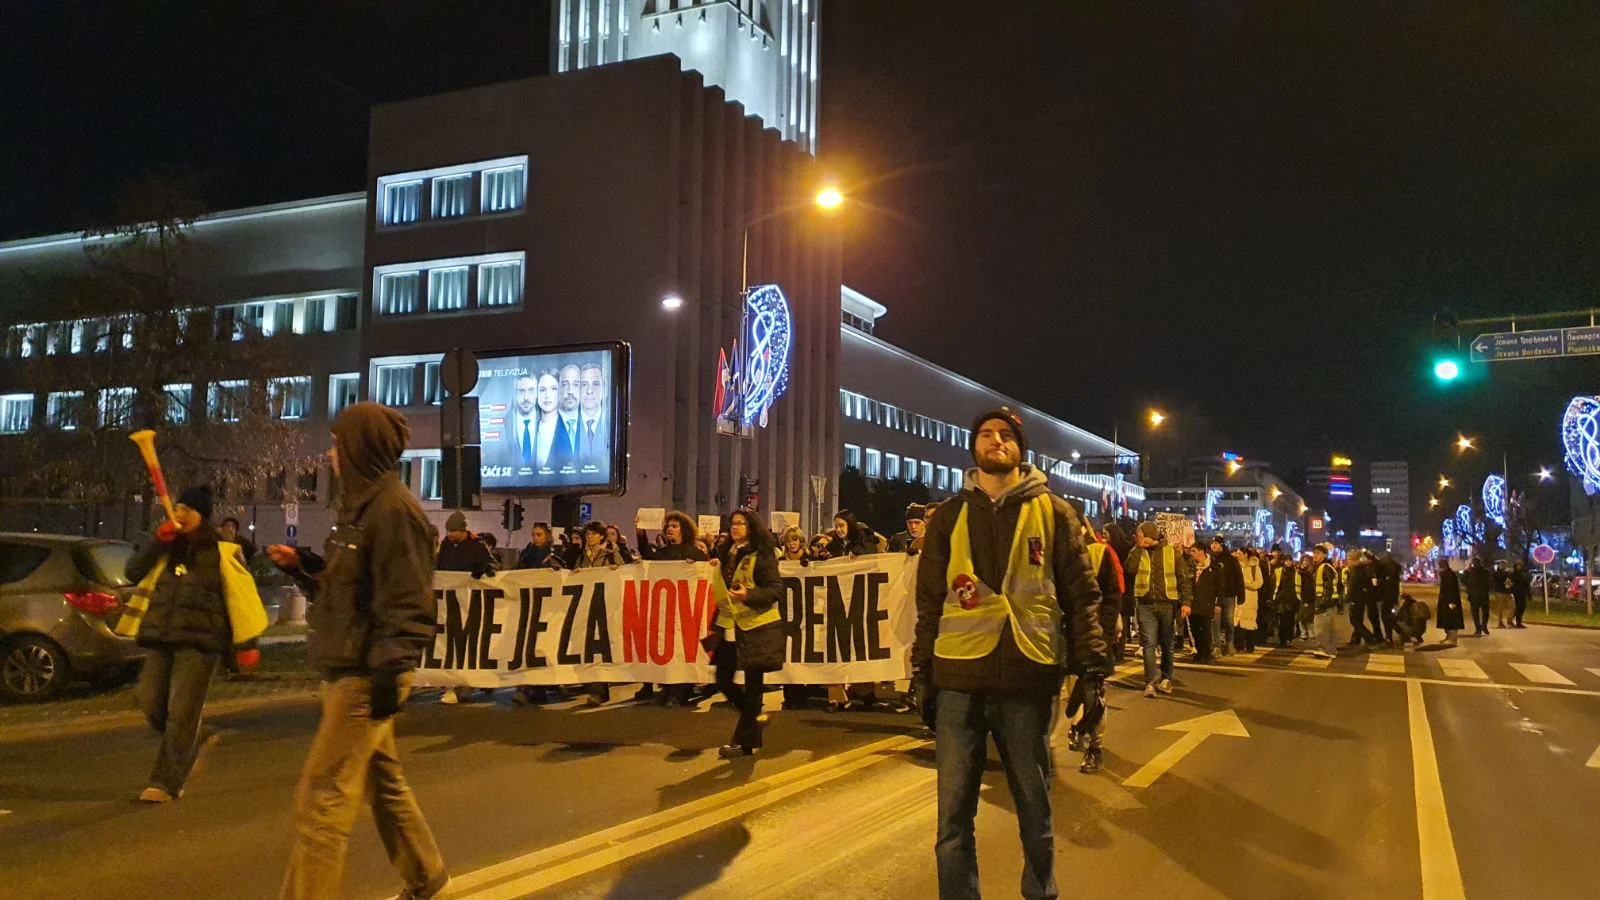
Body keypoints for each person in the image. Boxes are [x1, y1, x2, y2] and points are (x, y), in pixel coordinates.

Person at [912, 408, 1107, 900]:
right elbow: (930, 599)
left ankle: (1040, 891)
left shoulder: (1055, 512)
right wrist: (923, 672)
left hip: (1028, 676)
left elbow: (1082, 595)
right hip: (958, 679)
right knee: (952, 819)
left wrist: (1092, 672)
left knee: (1035, 810)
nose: (995, 441)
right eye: (985, 434)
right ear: (973, 447)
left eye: (1006, 436)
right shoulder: (949, 516)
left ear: (1022, 449)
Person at [268, 402, 447, 900]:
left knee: (320, 801)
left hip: (366, 674)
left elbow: (408, 600)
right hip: (352, 662)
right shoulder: (360, 508)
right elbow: (348, 592)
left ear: (359, 447)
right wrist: (303, 566)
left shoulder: (395, 511)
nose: (330, 453)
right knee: (381, 782)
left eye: (336, 443)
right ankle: (426, 875)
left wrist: (390, 669)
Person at [122, 485, 264, 803]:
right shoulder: (165, 546)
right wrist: (158, 541)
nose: (179, 514)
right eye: (177, 508)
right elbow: (132, 572)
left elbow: (242, 598)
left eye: (187, 509)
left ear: (201, 515)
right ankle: (192, 739)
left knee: (181, 713)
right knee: (150, 702)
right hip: (161, 637)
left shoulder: (221, 551)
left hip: (202, 642)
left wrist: (247, 643)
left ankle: (166, 782)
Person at [711, 508, 786, 757]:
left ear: (752, 527)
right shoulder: (727, 554)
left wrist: (748, 595)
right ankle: (755, 719)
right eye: (733, 523)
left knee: (753, 687)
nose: (735, 527)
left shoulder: (762, 555)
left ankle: (744, 742)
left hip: (756, 627)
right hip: (729, 626)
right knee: (722, 679)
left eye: (741, 523)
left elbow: (775, 590)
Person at [1065, 520, 1122, 772]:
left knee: (1093, 693)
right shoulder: (1049, 548)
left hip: (1093, 635)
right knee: (1070, 694)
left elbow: (1113, 595)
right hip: (1062, 636)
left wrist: (1105, 632)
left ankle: (1093, 748)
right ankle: (1076, 731)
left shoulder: (1100, 552)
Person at [434, 511, 499, 706]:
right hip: (450, 602)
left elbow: (493, 565)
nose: (450, 534)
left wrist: (484, 570)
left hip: (471, 603)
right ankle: (454, 684)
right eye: (448, 531)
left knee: (469, 642)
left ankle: (466, 683)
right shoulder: (446, 546)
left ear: (463, 530)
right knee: (452, 643)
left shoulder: (476, 546)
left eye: (453, 531)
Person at [1123, 521, 1192, 696]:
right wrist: (1138, 548)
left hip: (1167, 604)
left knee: (1167, 643)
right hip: (1144, 603)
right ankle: (1150, 682)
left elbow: (1183, 579)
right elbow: (1129, 569)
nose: (1139, 539)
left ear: (1151, 536)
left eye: (1141, 536)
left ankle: (1167, 678)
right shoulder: (1137, 552)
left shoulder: (1171, 553)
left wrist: (1186, 602)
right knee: (1148, 643)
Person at [1209, 535, 1242, 657]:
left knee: (1229, 621)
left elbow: (1238, 577)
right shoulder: (1209, 559)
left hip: (1229, 594)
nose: (1214, 545)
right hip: (1214, 596)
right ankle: (1216, 646)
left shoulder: (1231, 560)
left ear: (1222, 545)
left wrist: (1240, 593)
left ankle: (1229, 642)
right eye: (1213, 543)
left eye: (1217, 543)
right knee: (1215, 622)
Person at [1188, 544, 1222, 664]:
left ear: (1202, 552)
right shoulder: (1190, 566)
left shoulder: (1214, 567)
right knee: (1195, 629)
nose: (1191, 553)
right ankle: (1199, 651)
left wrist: (1218, 604)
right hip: (1193, 603)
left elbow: (1220, 587)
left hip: (1208, 603)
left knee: (1206, 629)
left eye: (1194, 551)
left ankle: (1207, 653)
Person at [1310, 545, 1340, 658]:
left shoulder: (1324, 567)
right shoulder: (1328, 566)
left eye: (1318, 553)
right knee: (1329, 628)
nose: (1315, 555)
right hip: (1330, 603)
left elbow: (1328, 587)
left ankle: (1324, 649)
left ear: (1324, 555)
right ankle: (1331, 650)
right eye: (1314, 552)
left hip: (1324, 603)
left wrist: (1323, 602)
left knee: (1321, 627)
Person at [1344, 551, 1378, 648]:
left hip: (1356, 598)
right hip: (1361, 598)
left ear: (1354, 560)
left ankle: (1370, 638)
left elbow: (1353, 587)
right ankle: (1356, 639)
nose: (1347, 561)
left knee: (1354, 621)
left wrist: (1348, 598)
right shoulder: (1361, 569)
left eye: (1349, 559)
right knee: (1358, 619)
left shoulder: (1355, 570)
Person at [1270, 551, 1302, 647]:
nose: (1288, 563)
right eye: (1287, 561)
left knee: (1291, 621)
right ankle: (1283, 640)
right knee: (1283, 621)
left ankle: (1289, 639)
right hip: (1282, 599)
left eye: (1290, 561)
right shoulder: (1278, 571)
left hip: (1293, 599)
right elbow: (1273, 585)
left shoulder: (1296, 572)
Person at [1235, 548, 1263, 653]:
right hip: (1238, 598)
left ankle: (1250, 646)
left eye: (1240, 553)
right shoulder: (1237, 567)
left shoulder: (1254, 568)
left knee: (1249, 623)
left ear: (1246, 555)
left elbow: (1259, 583)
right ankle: (1239, 646)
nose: (1237, 555)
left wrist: (1245, 584)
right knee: (1237, 623)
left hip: (1250, 599)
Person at [1437, 563, 1465, 646]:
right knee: (1447, 620)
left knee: (1452, 620)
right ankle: (1448, 637)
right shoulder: (1447, 574)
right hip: (1446, 600)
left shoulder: (1449, 575)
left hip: (1450, 601)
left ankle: (1452, 639)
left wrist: (1451, 602)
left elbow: (1451, 589)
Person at [1464, 556, 1493, 636]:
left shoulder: (1484, 571)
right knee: (1477, 613)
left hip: (1481, 594)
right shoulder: (1470, 572)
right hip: (1475, 595)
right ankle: (1479, 628)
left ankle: (1482, 627)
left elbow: (1489, 582)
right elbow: (1464, 581)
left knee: (1482, 613)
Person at [1510, 560, 1531, 628]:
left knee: (1522, 607)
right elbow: (1510, 583)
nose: (1519, 567)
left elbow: (1527, 585)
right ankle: (1517, 622)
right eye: (1518, 566)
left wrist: (1529, 594)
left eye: (1520, 566)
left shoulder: (1524, 575)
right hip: (1516, 593)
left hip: (1523, 593)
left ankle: (1517, 621)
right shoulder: (1513, 574)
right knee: (1518, 607)